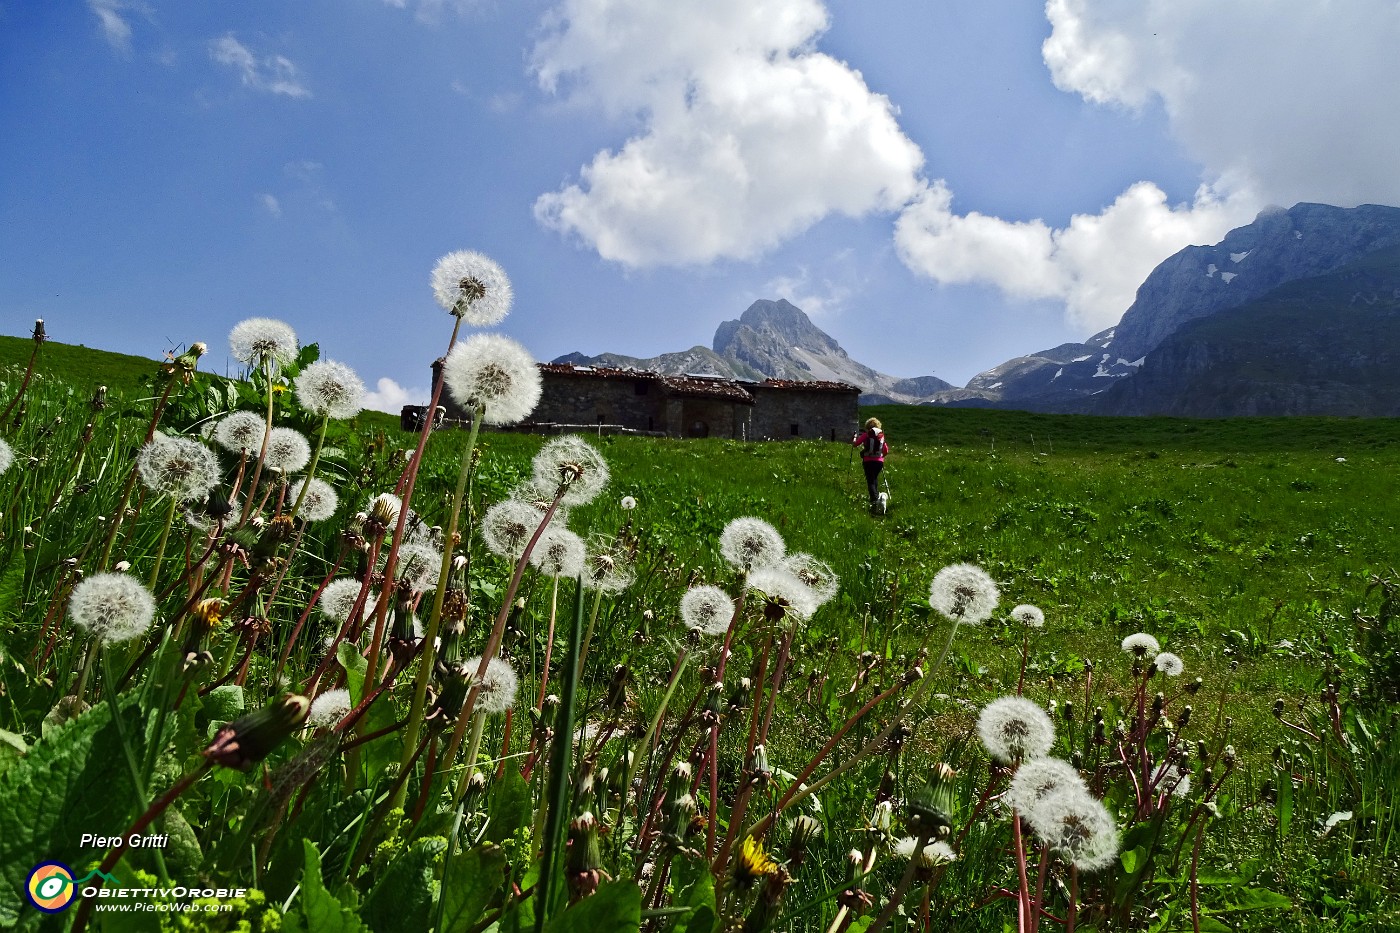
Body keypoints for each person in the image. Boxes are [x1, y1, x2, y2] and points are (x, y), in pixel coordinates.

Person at [851, 417, 889, 512]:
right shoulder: (881, 435)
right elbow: (886, 450)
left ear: (868, 426)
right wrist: (881, 456)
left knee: (870, 481)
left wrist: (854, 438)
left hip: (868, 460)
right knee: (875, 478)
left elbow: (855, 444)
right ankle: (878, 498)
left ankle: (875, 501)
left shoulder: (866, 434)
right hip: (879, 461)